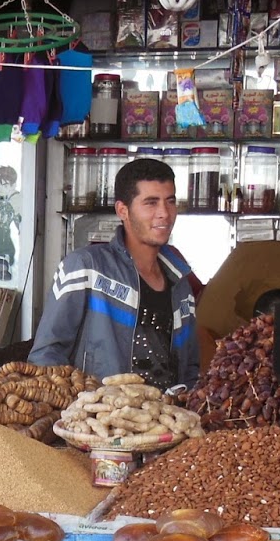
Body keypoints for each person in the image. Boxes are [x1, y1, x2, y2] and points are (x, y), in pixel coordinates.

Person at [29, 156, 201, 392]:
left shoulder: (180, 283)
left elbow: (190, 369)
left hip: (163, 421)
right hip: (97, 422)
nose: (164, 213)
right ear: (123, 210)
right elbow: (46, 356)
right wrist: (78, 413)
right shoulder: (85, 267)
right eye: (150, 203)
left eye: (170, 201)